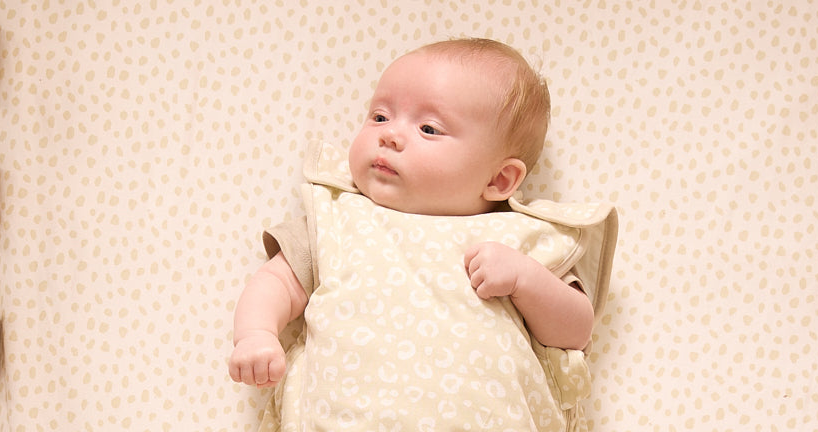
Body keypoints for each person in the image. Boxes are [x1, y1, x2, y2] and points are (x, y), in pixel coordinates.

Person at [227, 38, 594, 389]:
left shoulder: (519, 239)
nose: (390, 135)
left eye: (428, 128)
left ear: (499, 179)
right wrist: (256, 334)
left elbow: (576, 331)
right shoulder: (339, 218)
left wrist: (525, 280)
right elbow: (276, 281)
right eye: (380, 116)